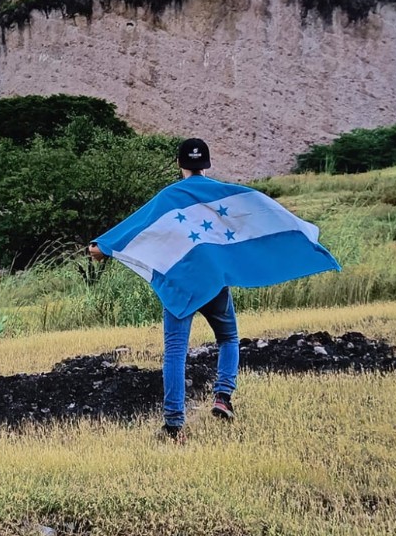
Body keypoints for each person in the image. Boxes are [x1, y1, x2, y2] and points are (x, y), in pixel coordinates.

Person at [87, 138, 339, 440]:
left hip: (182, 284)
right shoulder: (224, 195)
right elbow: (256, 208)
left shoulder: (168, 198)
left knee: (176, 352)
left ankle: (174, 425)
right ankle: (222, 397)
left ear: (179, 164)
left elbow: (135, 228)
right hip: (214, 282)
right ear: (207, 164)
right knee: (228, 338)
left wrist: (102, 246)